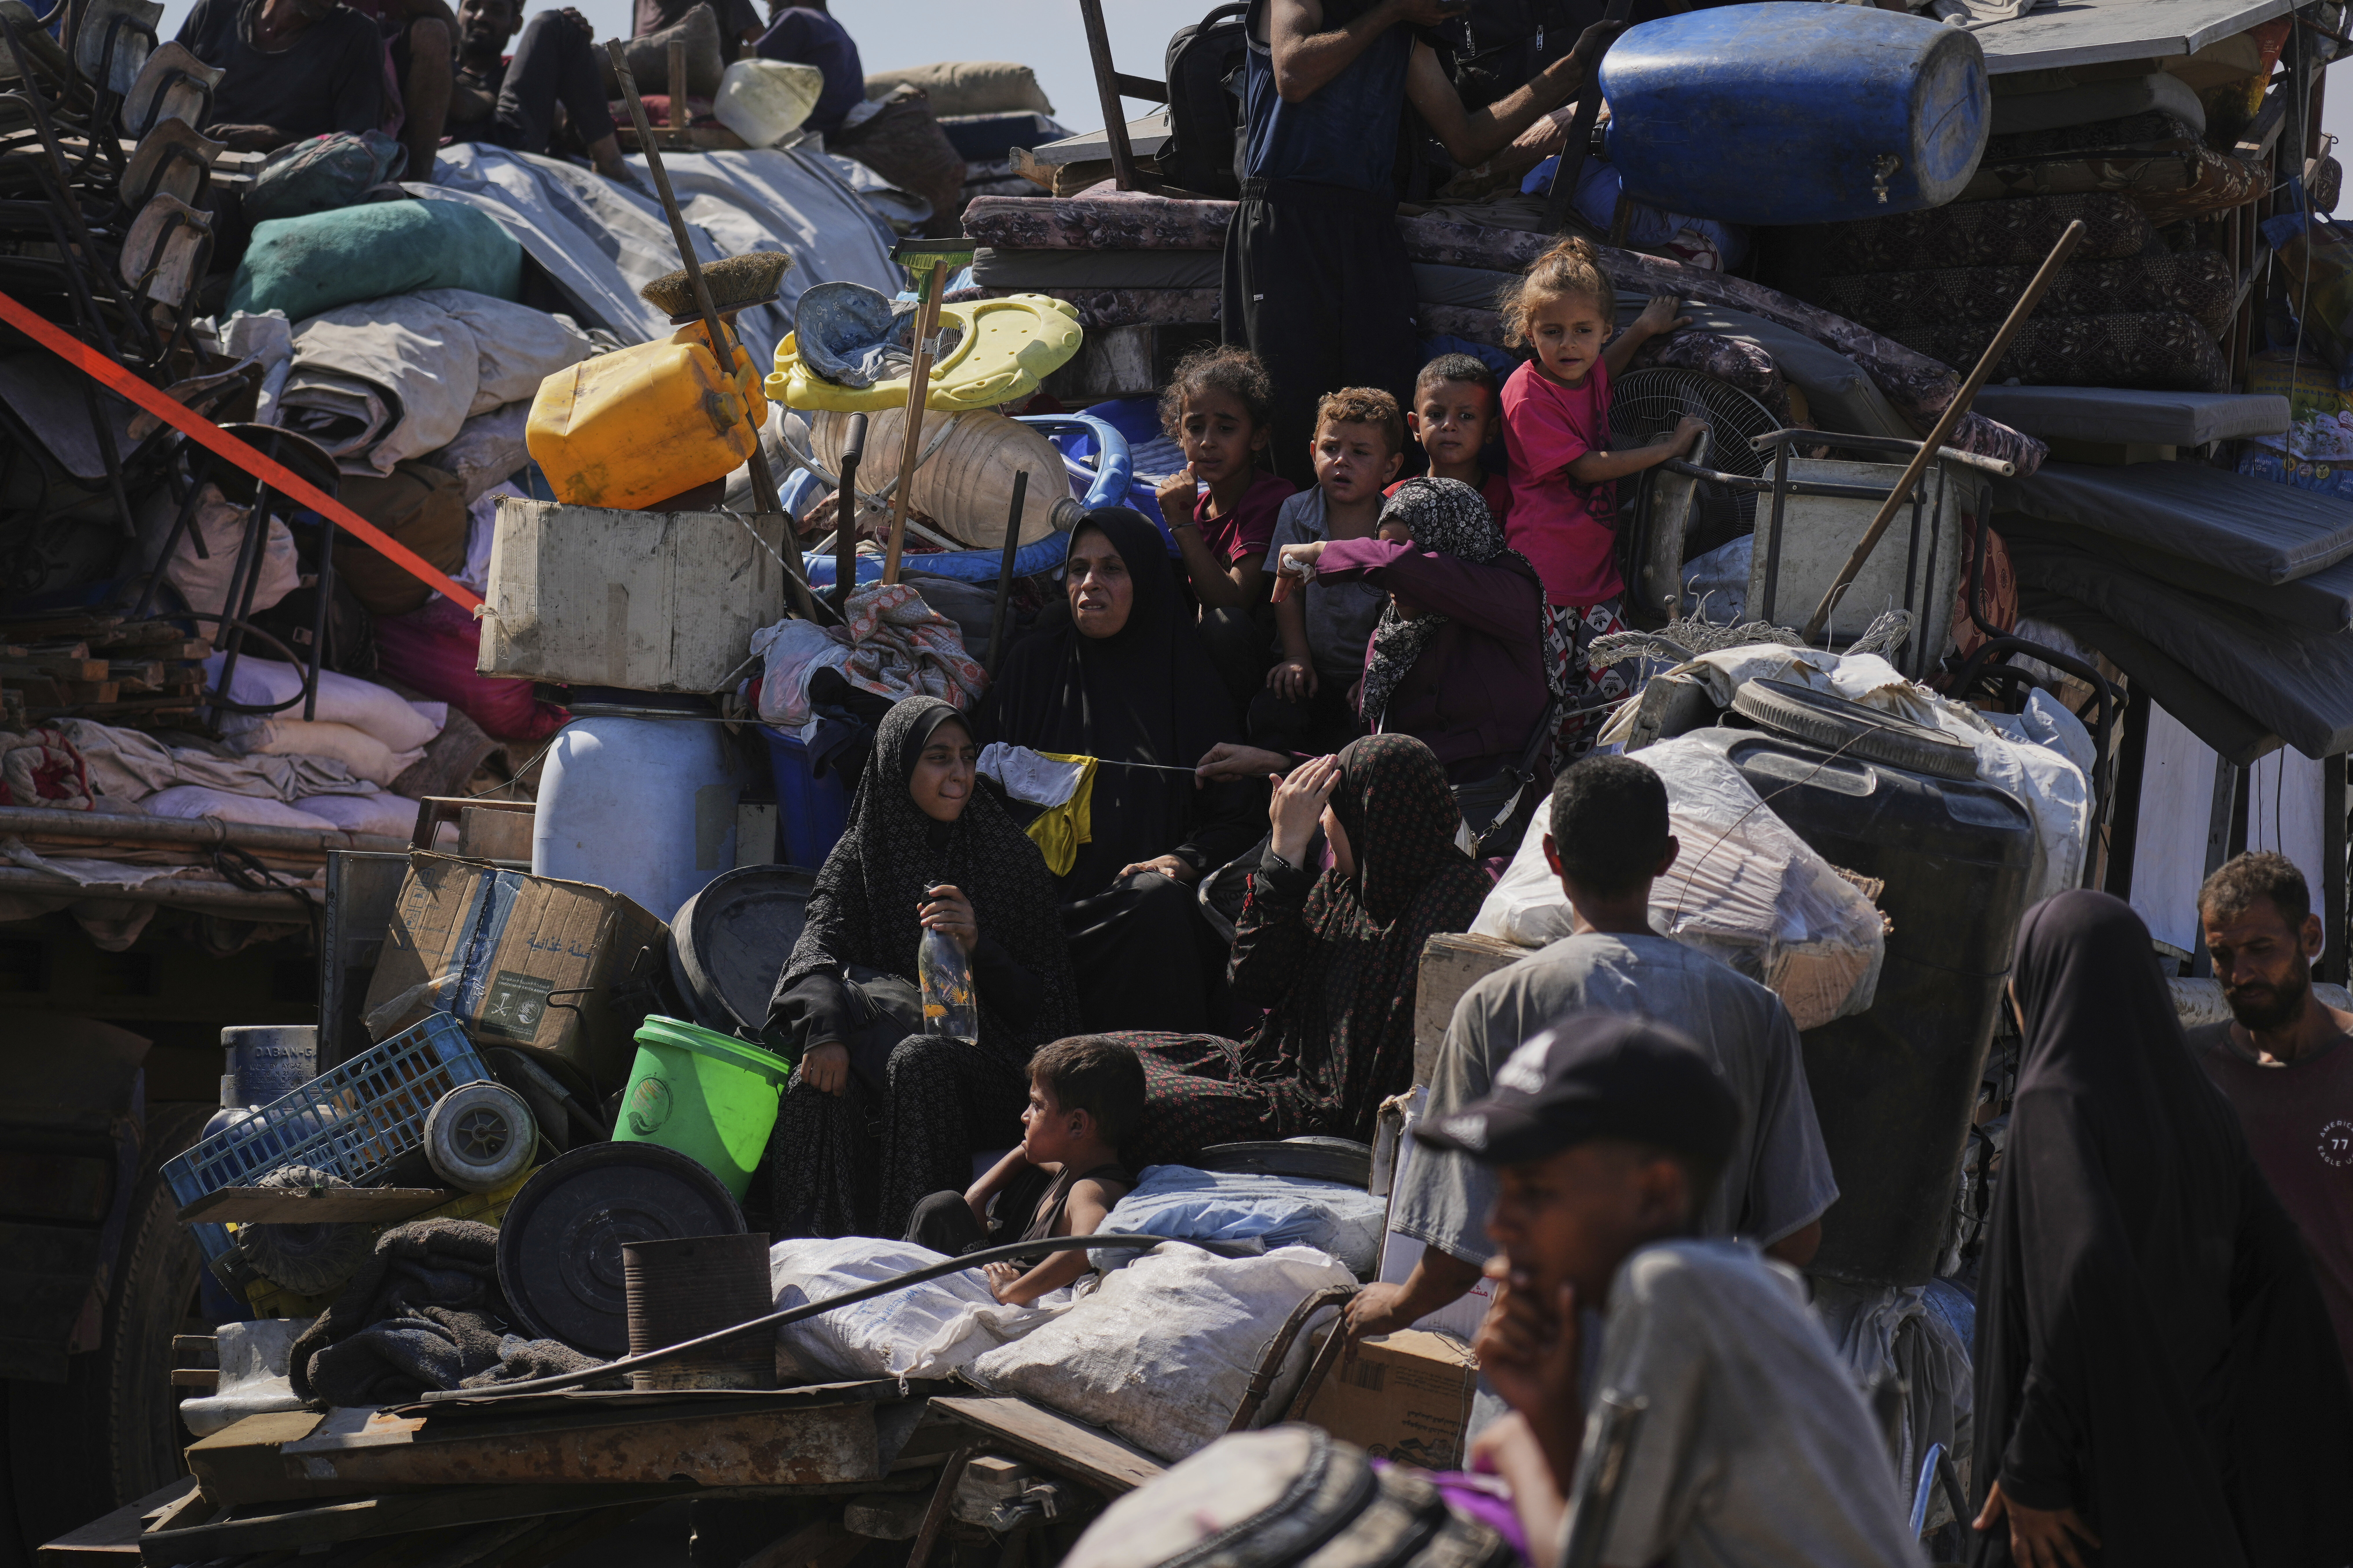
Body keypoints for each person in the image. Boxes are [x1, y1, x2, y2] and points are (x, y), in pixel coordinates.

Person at [1351, 753, 1836, 1343]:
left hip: (1534, 1382)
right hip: (1680, 1382)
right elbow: (1795, 1237)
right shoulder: (1757, 1013)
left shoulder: (1495, 1005)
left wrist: (1394, 1308)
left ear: (1552, 856)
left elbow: (1459, 1247)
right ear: (1666, 859)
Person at [1417, 1012, 1922, 1568]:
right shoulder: (1744, 1284)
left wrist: (1517, 1444)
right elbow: (1614, 1537)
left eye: (1534, 1192)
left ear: (1654, 1192)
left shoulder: (1669, 1286)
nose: (1498, 1224)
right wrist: (1551, 1406)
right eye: (1503, 1189)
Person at [1971, 890, 2353, 1568]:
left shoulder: (2054, 1101)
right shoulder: (2204, 1108)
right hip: (2189, 1483)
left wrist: (2035, 1460)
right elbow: (2279, 1273)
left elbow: (2085, 1270)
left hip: (2075, 1502)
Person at [1224, 0, 1620, 487]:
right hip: (1286, 220)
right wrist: (1389, 11)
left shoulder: (1404, 34)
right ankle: (1285, 557)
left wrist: (1573, 69)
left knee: (1382, 410)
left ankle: (1377, 552)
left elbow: (1468, 139)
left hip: (1369, 226)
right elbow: (1294, 72)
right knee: (1286, 412)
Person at [765, 696, 1081, 1241]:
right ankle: (811, 1260)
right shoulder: (862, 853)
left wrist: (979, 945)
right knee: (812, 1083)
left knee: (921, 1060)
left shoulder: (1009, 858)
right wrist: (825, 1033)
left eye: (966, 757)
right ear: (897, 764)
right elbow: (815, 943)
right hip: (890, 1037)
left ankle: (917, 1254)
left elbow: (1046, 1005)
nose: (959, 774)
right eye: (939, 758)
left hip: (997, 1067)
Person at [1107, 734, 1488, 1164]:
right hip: (1270, 1069)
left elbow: (1377, 1079)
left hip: (1320, 1116)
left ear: (1374, 819)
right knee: (1101, 1065)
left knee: (1124, 1106)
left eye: (1334, 808)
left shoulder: (1452, 903)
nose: (1324, 822)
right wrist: (1283, 854)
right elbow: (1253, 979)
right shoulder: (1347, 886)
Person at [972, 509, 1262, 1035]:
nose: (1090, 584)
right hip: (1034, 913)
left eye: (1111, 569)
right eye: (1078, 568)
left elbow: (1239, 819)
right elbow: (980, 792)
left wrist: (1180, 860)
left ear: (1146, 581)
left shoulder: (1185, 681)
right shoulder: (1032, 667)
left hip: (1127, 917)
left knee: (1157, 906)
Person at [1260, 475, 1556, 851]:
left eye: (1405, 551)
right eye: (1383, 549)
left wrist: (1324, 551)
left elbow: (1409, 569)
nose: (1391, 571)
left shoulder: (1511, 594)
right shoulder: (1389, 641)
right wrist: (1278, 761)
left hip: (1505, 835)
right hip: (1412, 830)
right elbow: (1380, 763)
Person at [1499, 238, 1700, 755]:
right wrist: (1668, 450)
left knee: (1612, 690)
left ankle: (1587, 779)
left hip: (1596, 576)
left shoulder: (1587, 374)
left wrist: (1641, 331)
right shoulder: (1525, 395)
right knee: (1543, 695)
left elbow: (1603, 368)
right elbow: (1587, 469)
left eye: (1583, 332)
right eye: (1552, 332)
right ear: (1528, 333)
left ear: (1603, 330)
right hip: (1544, 578)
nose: (1569, 345)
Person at [2187, 852, 2353, 1372]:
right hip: (2225, 1413)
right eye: (2221, 954)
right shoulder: (2189, 1070)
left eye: (2260, 948)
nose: (2240, 973)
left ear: (2310, 937)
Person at [904, 1037, 1142, 1306]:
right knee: (944, 1209)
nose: (1025, 1116)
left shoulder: (1091, 1188)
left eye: (1037, 1105)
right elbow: (1025, 1154)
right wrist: (977, 1197)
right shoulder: (1072, 1168)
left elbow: (1088, 1246)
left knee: (940, 1210)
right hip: (1001, 1272)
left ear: (1077, 1125)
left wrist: (1010, 1291)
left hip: (1011, 1296)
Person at [1254, 387, 1403, 759]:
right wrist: (1296, 657)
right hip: (1307, 667)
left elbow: (1396, 612)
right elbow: (1286, 593)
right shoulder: (1296, 512)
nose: (1341, 461)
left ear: (1390, 467)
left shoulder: (1395, 527)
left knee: (1371, 742)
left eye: (1360, 453)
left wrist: (1375, 674)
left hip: (1364, 675)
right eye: (1331, 448)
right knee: (1273, 714)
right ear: (1312, 453)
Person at [1152, 346, 1296, 711]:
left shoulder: (1272, 498)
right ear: (1179, 434)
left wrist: (1182, 525)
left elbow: (1232, 603)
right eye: (1195, 427)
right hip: (1213, 665)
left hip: (1269, 672)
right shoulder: (1197, 507)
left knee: (1223, 625)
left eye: (1226, 428)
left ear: (1258, 438)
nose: (1208, 442)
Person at [444, 0, 631, 181]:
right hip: (452, 148)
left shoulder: (522, 76)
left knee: (558, 23)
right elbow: (462, 106)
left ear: (516, 24)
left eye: (497, 10)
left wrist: (576, 60)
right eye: (472, 7)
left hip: (506, 148)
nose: (481, 17)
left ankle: (611, 165)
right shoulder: (439, 60)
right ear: (455, 16)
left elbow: (563, 124)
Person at [177, 0, 386, 152]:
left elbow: (359, 149)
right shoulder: (216, 10)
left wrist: (275, 139)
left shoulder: (357, 35)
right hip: (188, 167)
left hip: (280, 188)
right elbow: (157, 99)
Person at [1401, 354, 1510, 522]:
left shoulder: (1509, 500)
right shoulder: (1397, 498)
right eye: (1436, 415)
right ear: (1416, 427)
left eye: (1466, 416)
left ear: (1491, 430)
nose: (1449, 425)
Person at [752, 1, 864, 139]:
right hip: (832, 137)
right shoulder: (841, 33)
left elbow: (747, 68)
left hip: (800, 133)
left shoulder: (797, 18)